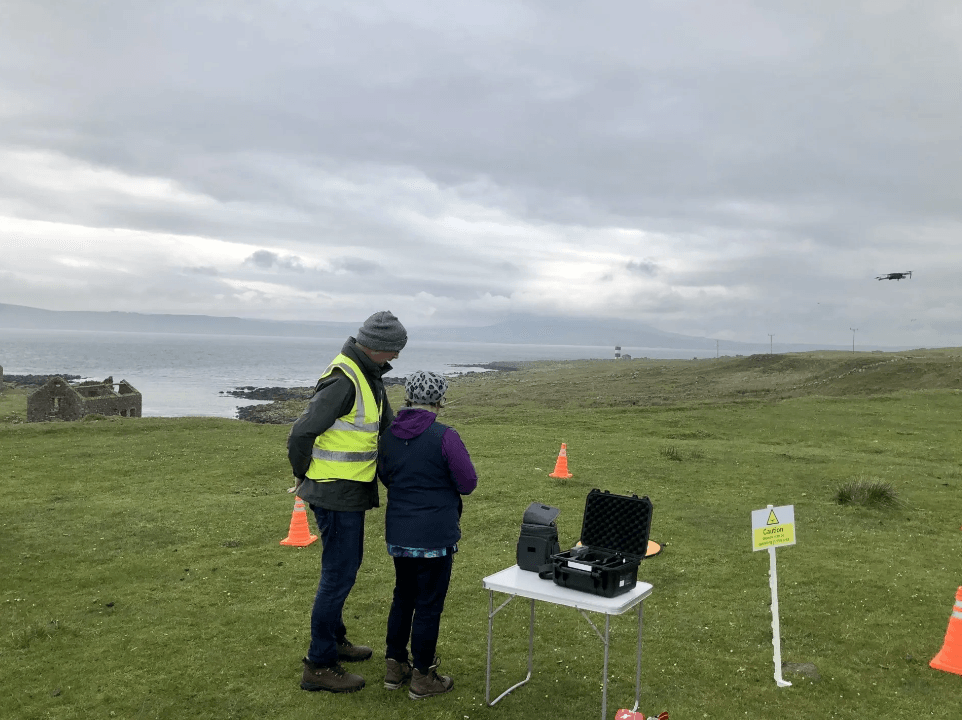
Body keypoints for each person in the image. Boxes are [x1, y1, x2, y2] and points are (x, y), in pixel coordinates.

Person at [287, 310, 407, 693]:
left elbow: (383, 428)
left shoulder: (369, 375)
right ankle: (318, 664)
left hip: (349, 491)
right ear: (376, 347)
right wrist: (302, 473)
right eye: (394, 351)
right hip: (334, 492)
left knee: (343, 569)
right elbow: (301, 432)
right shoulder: (344, 379)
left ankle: (334, 640)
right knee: (338, 575)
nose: (397, 358)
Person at [377, 370, 478, 700]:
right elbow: (467, 482)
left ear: (408, 396)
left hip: (400, 532)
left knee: (403, 597)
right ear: (440, 399)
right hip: (435, 536)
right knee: (429, 604)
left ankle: (395, 666)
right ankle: (423, 676)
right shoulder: (445, 435)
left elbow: (386, 475)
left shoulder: (389, 435)